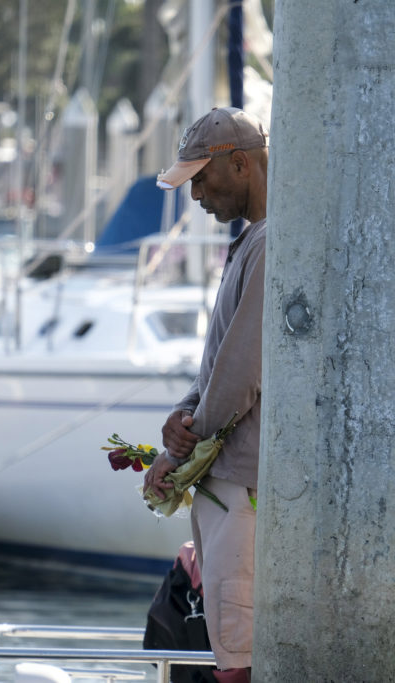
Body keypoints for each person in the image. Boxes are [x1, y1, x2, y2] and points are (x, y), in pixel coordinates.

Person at [143, 106, 269, 683]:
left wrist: (176, 456)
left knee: (237, 665)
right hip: (231, 482)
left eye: (201, 177)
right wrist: (185, 412)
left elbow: (242, 372)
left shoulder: (270, 245)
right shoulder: (250, 243)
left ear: (240, 164)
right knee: (229, 655)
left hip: (243, 485)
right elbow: (220, 364)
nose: (195, 194)